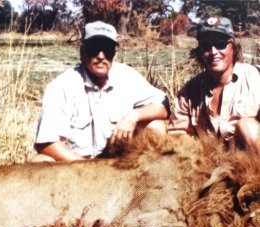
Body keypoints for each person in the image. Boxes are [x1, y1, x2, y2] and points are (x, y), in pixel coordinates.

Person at [34, 21, 170, 162]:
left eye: (107, 49)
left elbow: (163, 106)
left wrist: (133, 116)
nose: (100, 56)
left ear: (114, 54)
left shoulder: (127, 75)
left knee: (156, 126)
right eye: (94, 48)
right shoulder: (61, 86)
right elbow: (46, 144)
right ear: (83, 52)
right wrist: (87, 168)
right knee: (40, 161)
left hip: (117, 163)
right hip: (75, 166)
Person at [168, 16, 260, 153]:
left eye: (220, 44)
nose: (213, 52)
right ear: (200, 52)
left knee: (248, 127)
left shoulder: (256, 77)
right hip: (212, 164)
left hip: (251, 161)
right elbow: (178, 134)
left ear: (233, 47)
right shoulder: (189, 92)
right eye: (206, 46)